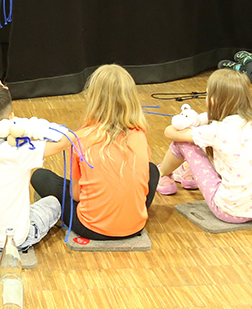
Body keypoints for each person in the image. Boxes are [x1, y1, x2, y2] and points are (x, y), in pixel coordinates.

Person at [30, 65, 159, 241]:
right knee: (152, 170)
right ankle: (128, 214)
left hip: (91, 228)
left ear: (93, 98)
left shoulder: (81, 138)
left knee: (40, 176)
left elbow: (76, 195)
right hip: (135, 227)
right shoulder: (139, 135)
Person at [0, 78, 69, 252]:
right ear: (10, 119)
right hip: (14, 241)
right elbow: (64, 139)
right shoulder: (21, 152)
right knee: (53, 203)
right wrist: (22, 125)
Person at [157, 70, 252, 224]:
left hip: (229, 212)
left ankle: (160, 173)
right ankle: (186, 171)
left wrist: (182, 123)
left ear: (214, 100)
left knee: (184, 142)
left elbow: (171, 133)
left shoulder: (217, 130)